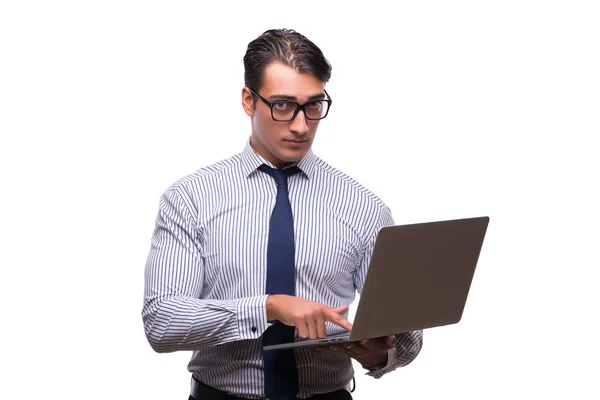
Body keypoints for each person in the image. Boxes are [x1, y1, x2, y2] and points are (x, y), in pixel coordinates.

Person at [142, 28, 423, 400]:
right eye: (283, 105)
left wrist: (378, 354)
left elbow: (408, 338)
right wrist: (268, 308)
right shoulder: (192, 199)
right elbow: (162, 323)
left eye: (313, 105)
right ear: (248, 100)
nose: (301, 125)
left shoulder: (363, 207)